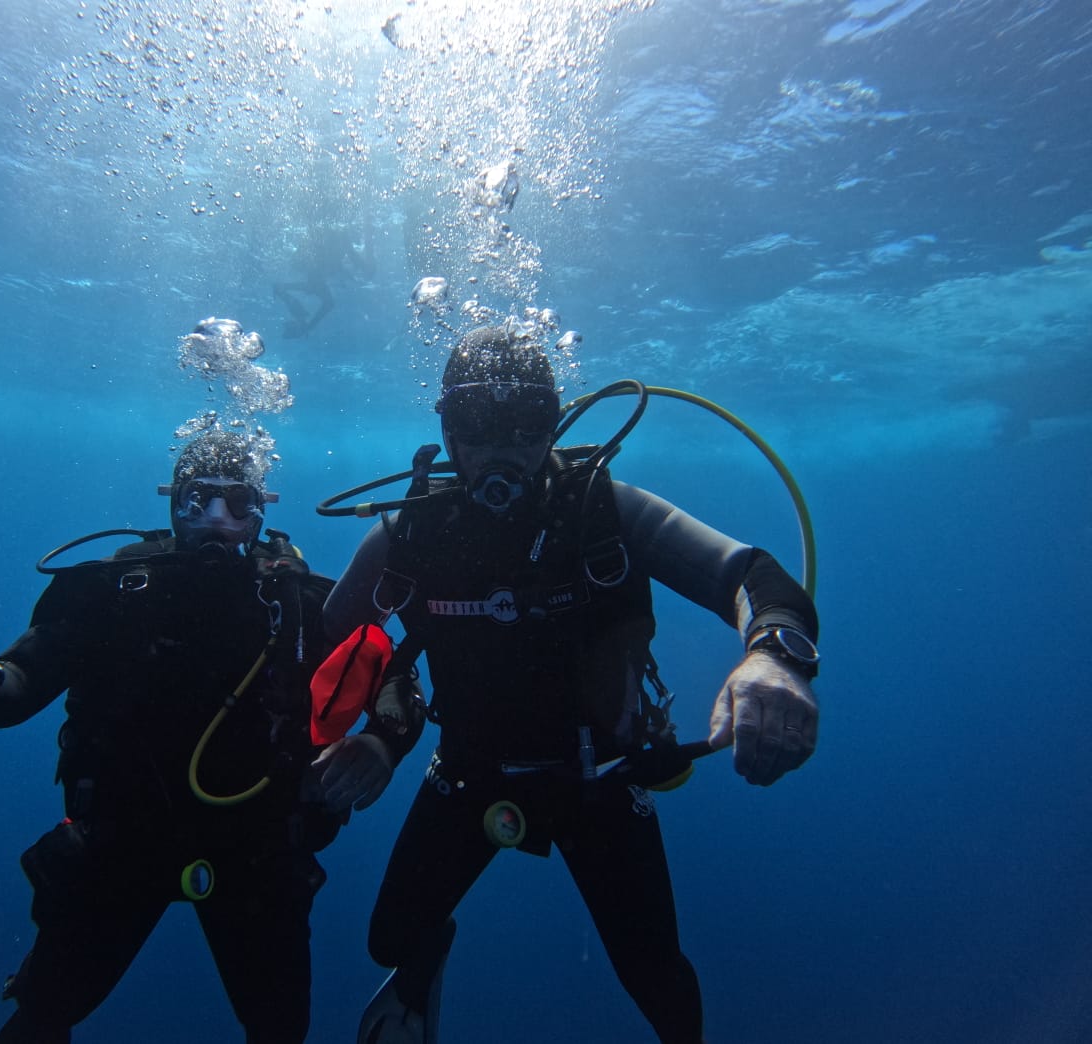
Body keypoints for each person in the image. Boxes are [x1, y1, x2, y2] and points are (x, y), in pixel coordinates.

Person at [0, 431, 421, 1044]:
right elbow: (22, 679)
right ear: (171, 502)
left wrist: (382, 743)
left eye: (237, 502)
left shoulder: (300, 605)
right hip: (123, 843)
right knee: (43, 1014)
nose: (217, 519)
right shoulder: (109, 593)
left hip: (259, 851)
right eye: (196, 501)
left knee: (279, 1028)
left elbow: (390, 678)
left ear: (262, 507)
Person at [322, 327, 821, 1044]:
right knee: (391, 939)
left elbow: (751, 574)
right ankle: (419, 974)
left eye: (526, 421)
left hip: (603, 781)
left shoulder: (605, 510)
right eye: (477, 423)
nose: (502, 448)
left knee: (656, 976)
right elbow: (332, 654)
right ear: (447, 432)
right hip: (467, 775)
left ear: (555, 420)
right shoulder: (409, 536)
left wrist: (773, 655)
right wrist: (378, 737)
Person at [273, 215, 376, 338]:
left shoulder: (339, 241)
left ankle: (284, 292)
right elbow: (346, 261)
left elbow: (342, 262)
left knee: (324, 297)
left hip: (317, 258)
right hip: (316, 258)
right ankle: (284, 292)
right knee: (323, 296)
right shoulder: (339, 240)